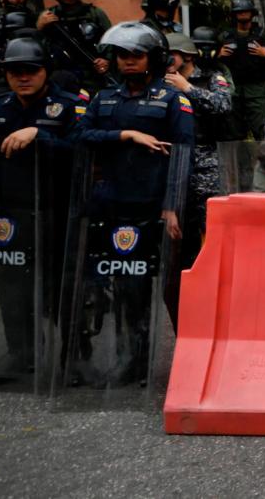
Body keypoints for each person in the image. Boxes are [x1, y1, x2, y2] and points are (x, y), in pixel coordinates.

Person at [70, 22, 194, 386]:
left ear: (151, 59)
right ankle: (129, 360)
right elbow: (80, 136)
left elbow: (182, 155)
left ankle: (178, 362)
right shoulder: (104, 98)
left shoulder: (173, 100)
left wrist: (172, 206)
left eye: (136, 55)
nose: (127, 61)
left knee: (161, 288)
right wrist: (125, 134)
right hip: (111, 206)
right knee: (122, 285)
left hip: (153, 208)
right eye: (122, 55)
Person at [0, 37, 81, 383]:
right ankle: (21, 353)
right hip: (9, 214)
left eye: (30, 70)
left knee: (62, 286)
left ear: (45, 71)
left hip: (56, 211)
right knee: (10, 286)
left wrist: (38, 134)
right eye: (14, 72)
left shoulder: (71, 106)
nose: (22, 77)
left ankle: (73, 358)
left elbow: (81, 149)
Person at [160, 31, 235, 328]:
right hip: (175, 172)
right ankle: (184, 328)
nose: (167, 62)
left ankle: (215, 323)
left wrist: (187, 87)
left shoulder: (211, 78)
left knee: (210, 254)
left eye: (173, 57)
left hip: (208, 174)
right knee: (178, 259)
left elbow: (224, 105)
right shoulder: (161, 82)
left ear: (188, 57)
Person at [36, 0, 113, 94]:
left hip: (92, 72)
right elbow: (35, 45)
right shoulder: (47, 16)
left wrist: (106, 60)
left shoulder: (95, 14)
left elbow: (110, 41)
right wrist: (39, 27)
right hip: (60, 73)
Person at [218, 0, 265, 139]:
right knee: (233, 132)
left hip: (256, 91)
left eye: (246, 11)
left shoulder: (264, 35)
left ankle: (264, 160)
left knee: (262, 131)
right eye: (239, 12)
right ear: (234, 14)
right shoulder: (225, 36)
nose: (243, 14)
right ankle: (238, 161)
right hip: (232, 89)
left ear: (252, 14)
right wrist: (219, 55)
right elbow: (209, 62)